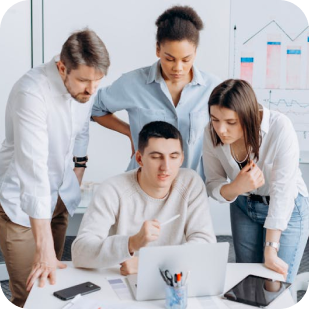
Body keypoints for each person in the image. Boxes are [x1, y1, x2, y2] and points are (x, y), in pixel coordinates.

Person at [0, 28, 110, 307]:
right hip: (22, 207)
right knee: (30, 296)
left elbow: (82, 128)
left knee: (54, 289)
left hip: (60, 194)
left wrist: (79, 167)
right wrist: (44, 246)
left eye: (98, 81)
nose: (91, 89)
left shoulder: (85, 85)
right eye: (85, 81)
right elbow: (33, 170)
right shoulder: (32, 93)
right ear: (62, 68)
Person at [91, 5, 221, 180]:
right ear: (158, 49)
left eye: (186, 59)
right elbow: (94, 108)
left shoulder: (213, 88)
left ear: (195, 53)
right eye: (169, 58)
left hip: (190, 191)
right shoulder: (133, 83)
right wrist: (129, 131)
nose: (178, 67)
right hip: (142, 188)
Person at [72, 121, 216, 274]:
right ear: (140, 159)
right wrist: (132, 243)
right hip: (123, 278)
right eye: (156, 157)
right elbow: (80, 252)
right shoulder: (113, 189)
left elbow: (206, 244)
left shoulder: (191, 183)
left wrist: (147, 265)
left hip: (175, 280)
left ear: (181, 159)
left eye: (173, 157)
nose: (166, 167)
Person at [202, 79, 309, 283]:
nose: (220, 129)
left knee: (275, 284)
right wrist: (236, 187)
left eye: (230, 122)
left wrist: (271, 249)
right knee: (247, 281)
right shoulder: (210, 131)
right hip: (244, 206)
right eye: (215, 119)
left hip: (287, 209)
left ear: (249, 117)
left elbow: (282, 193)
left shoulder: (280, 127)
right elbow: (213, 183)